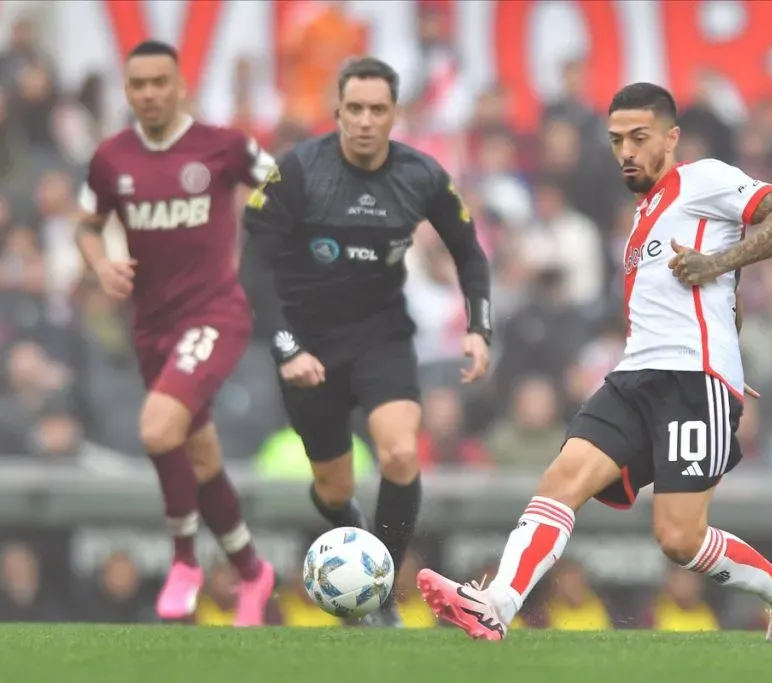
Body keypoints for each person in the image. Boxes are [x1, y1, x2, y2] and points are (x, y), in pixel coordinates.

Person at [416, 82, 772, 643]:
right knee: (563, 478)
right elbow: (724, 292)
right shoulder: (642, 214)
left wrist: (718, 272)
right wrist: (725, 311)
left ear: (671, 138)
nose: (626, 151)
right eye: (616, 141)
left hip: (691, 378)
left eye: (639, 137)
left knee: (679, 538)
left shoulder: (703, 178)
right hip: (634, 375)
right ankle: (498, 604)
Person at [242, 57, 491, 627]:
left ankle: (377, 593)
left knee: (401, 452)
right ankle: (349, 531)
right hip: (308, 341)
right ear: (338, 113)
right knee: (333, 487)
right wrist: (286, 347)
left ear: (394, 115)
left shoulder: (421, 175)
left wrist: (480, 327)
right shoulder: (298, 172)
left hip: (381, 334)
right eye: (354, 108)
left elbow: (469, 250)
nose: (364, 120)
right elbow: (254, 267)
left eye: (377, 110)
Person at [75, 40, 276, 625]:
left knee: (158, 428)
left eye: (159, 82)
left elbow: (287, 184)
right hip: (151, 328)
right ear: (128, 90)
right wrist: (100, 262)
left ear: (180, 85)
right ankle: (251, 572)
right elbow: (86, 224)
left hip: (216, 314)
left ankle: (185, 561)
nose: (149, 94)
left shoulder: (224, 146)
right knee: (201, 457)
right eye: (137, 84)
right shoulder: (111, 159)